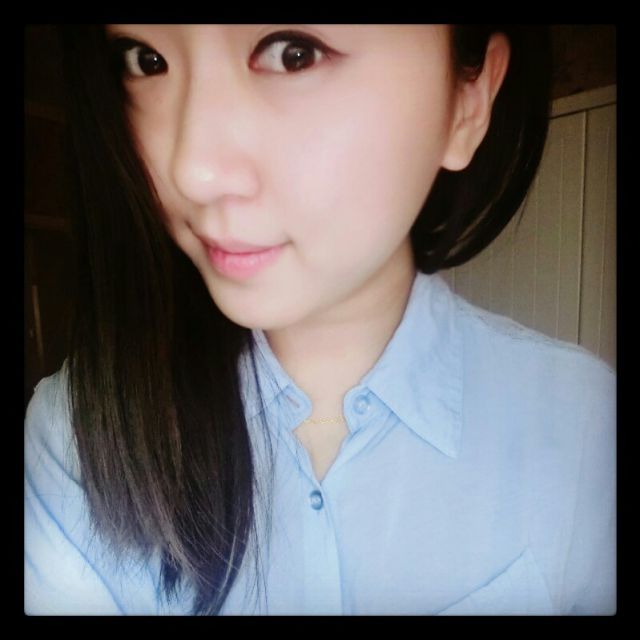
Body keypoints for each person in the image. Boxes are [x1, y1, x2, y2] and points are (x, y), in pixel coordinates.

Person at [24, 25, 615, 615]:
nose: (193, 172)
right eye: (146, 60)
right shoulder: (73, 434)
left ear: (469, 100)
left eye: (293, 54)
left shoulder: (583, 426)